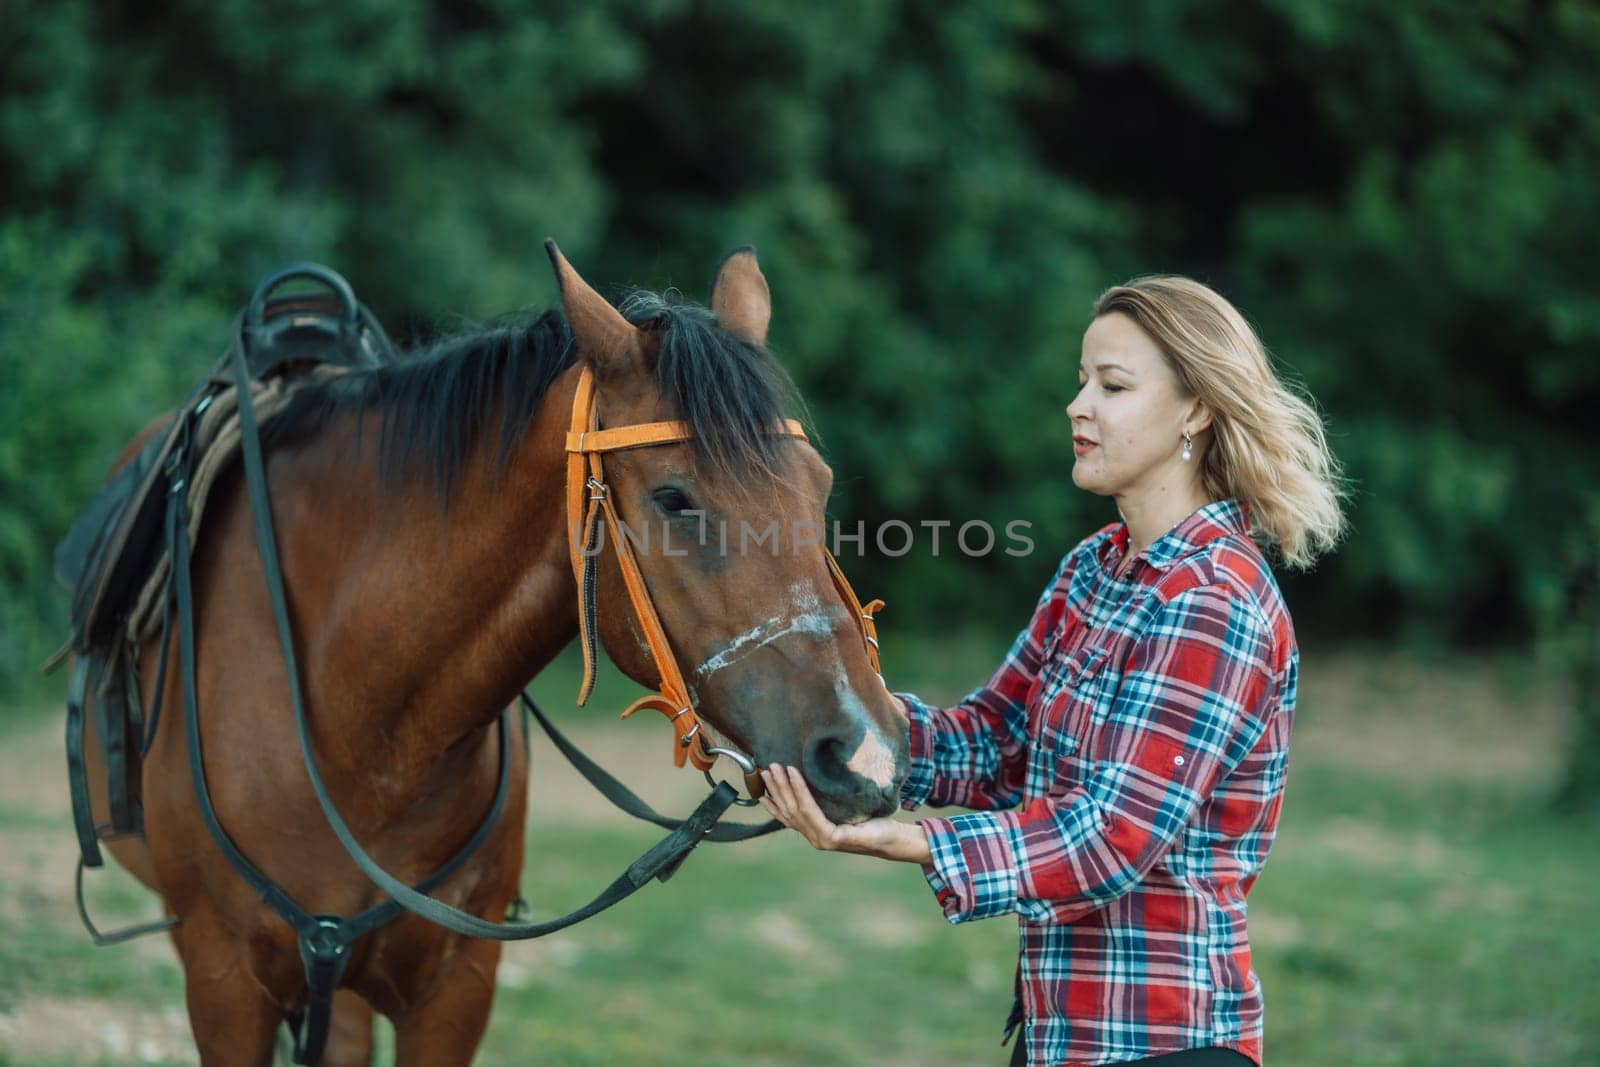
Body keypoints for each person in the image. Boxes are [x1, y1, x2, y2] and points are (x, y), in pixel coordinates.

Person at [759, 276, 1346, 1066]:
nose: (1079, 406)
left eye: (1113, 386)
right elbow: (996, 740)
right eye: (1081, 381)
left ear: (1196, 410)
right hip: (1058, 1037)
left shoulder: (1216, 602)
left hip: (1165, 1045)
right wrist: (826, 726)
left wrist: (907, 842)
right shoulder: (1093, 570)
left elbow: (1108, 836)